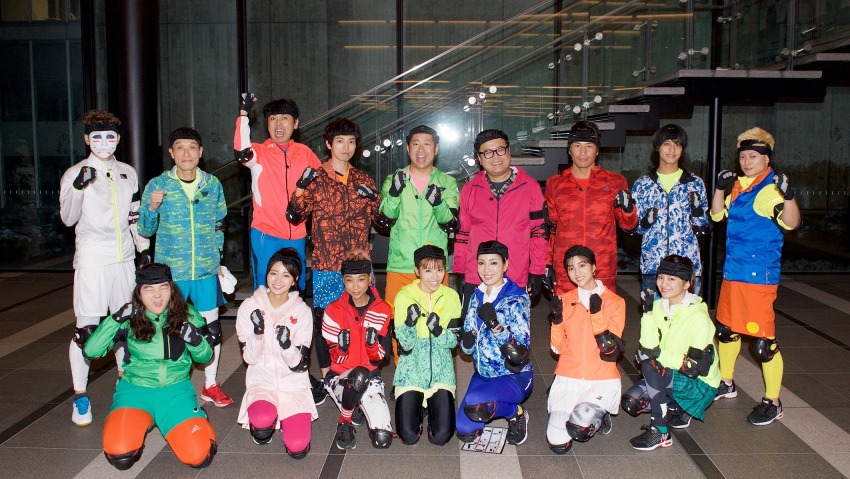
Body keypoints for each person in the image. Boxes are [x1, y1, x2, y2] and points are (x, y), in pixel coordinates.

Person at [59, 109, 150, 426]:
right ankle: (80, 397)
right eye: (96, 136)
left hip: (123, 259)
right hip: (93, 260)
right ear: (87, 139)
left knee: (125, 324)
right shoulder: (75, 173)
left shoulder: (127, 172)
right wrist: (78, 188)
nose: (103, 142)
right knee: (85, 329)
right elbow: (68, 218)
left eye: (110, 136)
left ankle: (125, 386)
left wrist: (143, 249)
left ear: (118, 139)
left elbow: (134, 215)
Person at [83, 264, 217, 470]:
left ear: (171, 289)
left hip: (175, 392)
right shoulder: (128, 317)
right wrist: (115, 319)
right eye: (149, 289)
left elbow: (206, 356)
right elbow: (91, 351)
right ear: (139, 292)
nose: (157, 296)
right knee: (120, 453)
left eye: (163, 287)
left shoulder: (187, 314)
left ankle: (193, 416)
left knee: (199, 456)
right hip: (135, 391)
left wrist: (196, 341)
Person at [710, 127, 801, 425]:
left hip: (757, 276)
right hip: (733, 272)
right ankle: (726, 382)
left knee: (763, 344)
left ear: (766, 159)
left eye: (753, 156)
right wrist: (720, 189)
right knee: (726, 331)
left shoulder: (770, 190)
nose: (747, 162)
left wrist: (789, 196)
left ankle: (773, 401)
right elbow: (716, 216)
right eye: (743, 157)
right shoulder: (740, 186)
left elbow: (791, 223)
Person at [287, 118, 380, 404]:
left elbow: (381, 220)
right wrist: (300, 188)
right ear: (329, 144)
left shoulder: (363, 179)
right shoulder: (315, 177)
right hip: (327, 264)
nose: (346, 147)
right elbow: (294, 215)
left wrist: (376, 199)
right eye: (340, 141)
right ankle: (330, 377)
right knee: (325, 322)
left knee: (362, 320)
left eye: (351, 142)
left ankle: (360, 374)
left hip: (359, 265)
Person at [138, 127, 232, 407]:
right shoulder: (158, 185)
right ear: (171, 153)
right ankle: (168, 384)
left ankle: (210, 384)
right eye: (180, 147)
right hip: (171, 275)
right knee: (168, 330)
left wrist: (217, 259)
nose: (186, 153)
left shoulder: (212, 184)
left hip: (205, 272)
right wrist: (151, 208)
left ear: (200, 152)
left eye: (192, 147)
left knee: (211, 330)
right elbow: (144, 229)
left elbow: (219, 224)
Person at [621, 255, 720, 450]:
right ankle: (677, 407)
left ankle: (660, 430)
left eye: (671, 279)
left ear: (687, 283)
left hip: (698, 385)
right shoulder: (659, 306)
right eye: (661, 277)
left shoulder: (698, 317)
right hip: (671, 374)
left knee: (650, 363)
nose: (663, 284)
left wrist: (656, 355)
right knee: (632, 402)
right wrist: (648, 313)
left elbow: (692, 367)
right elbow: (648, 344)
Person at [454, 129, 548, 320]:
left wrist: (537, 271)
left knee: (513, 333)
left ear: (509, 152)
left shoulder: (530, 187)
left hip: (515, 275)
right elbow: (463, 234)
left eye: (500, 150)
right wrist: (460, 271)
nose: (495, 157)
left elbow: (539, 232)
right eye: (488, 152)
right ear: (479, 158)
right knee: (473, 332)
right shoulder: (470, 190)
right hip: (477, 275)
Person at [232, 92, 321, 290]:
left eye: (284, 118)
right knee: (265, 287)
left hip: (297, 234)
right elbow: (241, 151)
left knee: (296, 287)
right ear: (267, 125)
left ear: (295, 124)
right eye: (273, 119)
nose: (278, 124)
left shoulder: (305, 153)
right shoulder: (259, 153)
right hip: (266, 234)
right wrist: (244, 115)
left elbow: (322, 186)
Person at [235, 248, 316, 458]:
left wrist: (286, 345)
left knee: (297, 447)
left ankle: (288, 424)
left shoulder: (303, 312)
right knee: (261, 422)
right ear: (267, 274)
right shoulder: (249, 307)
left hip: (293, 385)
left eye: (286, 275)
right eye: (273, 273)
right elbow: (249, 358)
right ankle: (263, 427)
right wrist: (258, 334)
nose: (278, 281)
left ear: (295, 280)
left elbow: (300, 365)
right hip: (261, 382)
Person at [547, 245, 625, 454]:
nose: (577, 272)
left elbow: (609, 350)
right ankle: (576, 408)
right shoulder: (564, 300)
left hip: (601, 379)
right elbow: (557, 349)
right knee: (557, 443)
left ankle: (601, 412)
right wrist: (556, 321)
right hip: (569, 378)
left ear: (594, 267)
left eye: (582, 266)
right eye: (571, 268)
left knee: (580, 428)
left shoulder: (616, 302)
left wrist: (596, 313)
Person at [544, 121, 638, 295]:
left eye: (589, 146)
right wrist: (547, 263)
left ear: (597, 150)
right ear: (569, 150)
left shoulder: (615, 182)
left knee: (602, 313)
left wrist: (629, 210)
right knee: (567, 312)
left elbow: (628, 225)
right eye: (577, 146)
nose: (583, 152)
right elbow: (551, 228)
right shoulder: (555, 184)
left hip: (601, 267)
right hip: (567, 269)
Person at [456, 240, 532, 446]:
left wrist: (494, 325)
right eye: (481, 263)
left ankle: (515, 413)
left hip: (514, 376)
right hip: (484, 374)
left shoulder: (517, 299)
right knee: (464, 429)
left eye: (493, 263)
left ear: (505, 265)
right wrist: (466, 340)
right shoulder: (476, 296)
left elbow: (520, 354)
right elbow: (467, 349)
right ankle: (488, 401)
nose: (486, 270)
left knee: (476, 403)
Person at [377, 125, 459, 312]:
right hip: (401, 265)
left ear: (436, 149)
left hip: (435, 268)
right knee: (398, 321)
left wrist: (438, 203)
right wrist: (394, 193)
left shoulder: (447, 182)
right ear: (408, 148)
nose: (421, 150)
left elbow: (451, 224)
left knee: (437, 321)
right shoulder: (393, 179)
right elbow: (385, 220)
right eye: (416, 144)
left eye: (427, 144)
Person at [321, 256, 394, 450]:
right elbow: (335, 358)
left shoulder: (383, 309)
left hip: (370, 377)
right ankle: (344, 419)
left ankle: (358, 404)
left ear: (370, 279)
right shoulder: (332, 310)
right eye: (349, 280)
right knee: (358, 375)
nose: (355, 286)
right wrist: (341, 348)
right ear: (343, 280)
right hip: (341, 377)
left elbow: (380, 359)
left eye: (361, 279)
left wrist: (372, 346)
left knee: (382, 439)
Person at [393, 245, 462, 446]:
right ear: (417, 271)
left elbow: (455, 341)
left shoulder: (451, 296)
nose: (435, 277)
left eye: (439, 269)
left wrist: (439, 331)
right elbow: (405, 345)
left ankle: (432, 406)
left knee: (441, 437)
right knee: (408, 436)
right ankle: (419, 407)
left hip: (441, 373)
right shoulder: (404, 296)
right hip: (411, 372)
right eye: (428, 270)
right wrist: (409, 324)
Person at [631, 124, 709, 295]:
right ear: (658, 147)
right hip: (653, 267)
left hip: (685, 267)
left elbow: (702, 228)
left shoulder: (694, 183)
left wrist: (697, 211)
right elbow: (635, 229)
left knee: (687, 312)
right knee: (654, 312)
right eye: (667, 144)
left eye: (677, 144)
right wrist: (645, 222)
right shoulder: (643, 184)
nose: (672, 149)